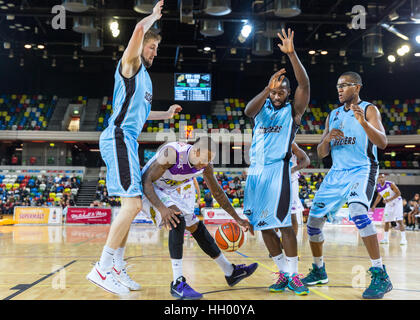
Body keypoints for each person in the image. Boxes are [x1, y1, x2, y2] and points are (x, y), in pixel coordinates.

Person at [87, 1, 183, 295]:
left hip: (126, 140)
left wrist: (164, 115)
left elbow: (140, 113)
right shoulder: (130, 65)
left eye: (155, 48)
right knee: (133, 205)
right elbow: (140, 29)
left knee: (129, 207)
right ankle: (102, 268)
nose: (154, 52)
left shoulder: (145, 79)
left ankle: (116, 267)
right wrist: (152, 17)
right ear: (142, 46)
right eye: (152, 47)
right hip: (118, 137)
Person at [301, 71, 392, 299]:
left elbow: (382, 142)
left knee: (358, 213)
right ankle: (319, 270)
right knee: (312, 224)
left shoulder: (369, 109)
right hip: (336, 173)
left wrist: (363, 123)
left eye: (344, 85)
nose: (339, 89)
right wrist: (327, 139)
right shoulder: (332, 115)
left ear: (358, 87)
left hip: (361, 169)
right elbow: (321, 154)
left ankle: (381, 274)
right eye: (338, 86)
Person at [141, 138, 257, 300]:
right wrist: (162, 208)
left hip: (167, 190)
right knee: (177, 218)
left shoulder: (205, 164)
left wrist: (238, 218)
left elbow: (217, 193)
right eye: (204, 160)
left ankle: (230, 272)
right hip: (146, 189)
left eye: (209, 161)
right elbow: (146, 180)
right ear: (195, 152)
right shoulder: (172, 154)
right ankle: (177, 283)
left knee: (196, 226)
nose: (205, 164)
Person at [243, 28, 310, 295]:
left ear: (288, 93)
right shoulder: (261, 109)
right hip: (256, 173)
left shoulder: (293, 112)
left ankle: (294, 275)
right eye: (274, 92)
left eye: (281, 91)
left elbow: (304, 85)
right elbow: (248, 110)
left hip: (278, 170)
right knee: (264, 226)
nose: (276, 94)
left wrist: (292, 55)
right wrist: (266, 88)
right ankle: (283, 273)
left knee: (284, 225)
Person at [371, 174, 407, 245]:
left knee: (399, 220)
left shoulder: (390, 184)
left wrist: (389, 199)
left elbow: (399, 193)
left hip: (397, 202)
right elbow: (379, 196)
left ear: (385, 178)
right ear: (378, 179)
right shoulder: (378, 186)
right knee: (387, 221)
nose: (381, 179)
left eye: (382, 177)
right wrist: (374, 205)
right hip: (389, 204)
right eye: (379, 178)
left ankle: (404, 239)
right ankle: (386, 239)